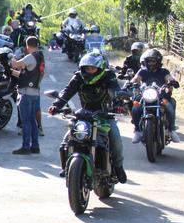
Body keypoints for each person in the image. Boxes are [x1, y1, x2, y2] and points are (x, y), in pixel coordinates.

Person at [48, 52, 127, 183]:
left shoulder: (108, 76)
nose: (89, 71)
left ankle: (118, 167)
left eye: (92, 68)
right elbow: (67, 92)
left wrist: (118, 104)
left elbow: (115, 90)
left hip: (104, 114)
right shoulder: (78, 77)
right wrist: (56, 105)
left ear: (100, 68)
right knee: (66, 141)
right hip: (84, 115)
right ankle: (66, 168)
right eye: (87, 68)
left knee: (116, 138)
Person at [129, 48, 180, 143]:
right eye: (148, 61)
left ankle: (172, 130)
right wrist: (130, 83)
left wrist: (172, 81)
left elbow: (169, 77)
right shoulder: (142, 71)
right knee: (135, 107)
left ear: (158, 61)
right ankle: (138, 131)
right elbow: (136, 79)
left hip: (160, 96)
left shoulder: (163, 71)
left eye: (153, 61)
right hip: (145, 95)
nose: (150, 63)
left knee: (170, 104)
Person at [10, 37, 45, 155]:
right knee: (33, 120)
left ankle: (25, 147)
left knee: (26, 122)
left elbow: (16, 65)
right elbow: (27, 73)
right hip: (35, 92)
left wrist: (11, 56)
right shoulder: (40, 57)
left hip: (26, 93)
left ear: (27, 45)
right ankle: (35, 146)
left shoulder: (30, 57)